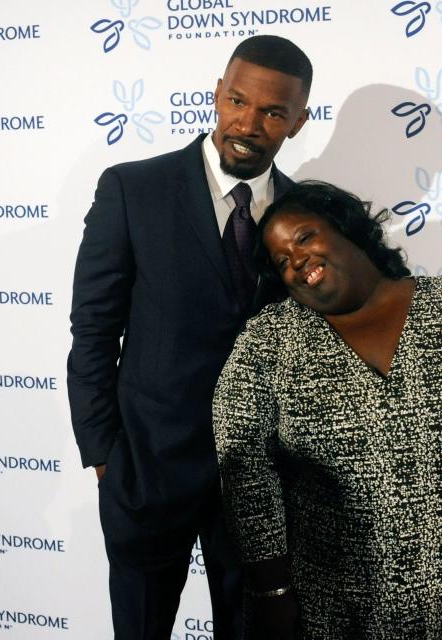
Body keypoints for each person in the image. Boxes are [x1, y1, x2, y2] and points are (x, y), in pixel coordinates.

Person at [213, 181, 442, 639]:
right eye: (281, 260)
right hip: (334, 604)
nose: (296, 260)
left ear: (348, 229)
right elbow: (246, 466)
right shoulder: (268, 341)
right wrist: (271, 588)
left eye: (305, 237)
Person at [66, 36, 312, 639]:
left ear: (298, 122)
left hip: (263, 481)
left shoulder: (308, 213)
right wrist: (105, 455)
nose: (248, 124)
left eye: (273, 113)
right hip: (147, 472)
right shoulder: (132, 188)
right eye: (236, 101)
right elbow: (93, 329)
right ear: (218, 93)